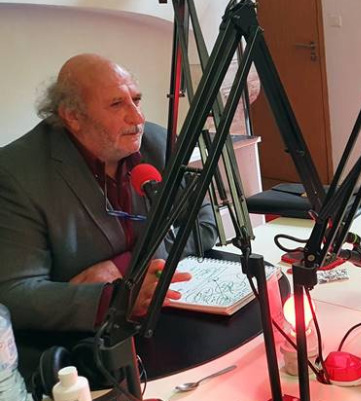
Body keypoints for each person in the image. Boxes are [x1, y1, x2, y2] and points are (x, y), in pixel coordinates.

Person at [0, 55, 218, 347]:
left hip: (168, 313)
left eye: (136, 100)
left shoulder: (158, 142)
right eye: (117, 104)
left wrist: (124, 266)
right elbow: (15, 294)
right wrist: (114, 300)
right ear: (73, 116)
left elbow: (205, 223)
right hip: (80, 344)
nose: (137, 118)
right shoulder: (16, 173)